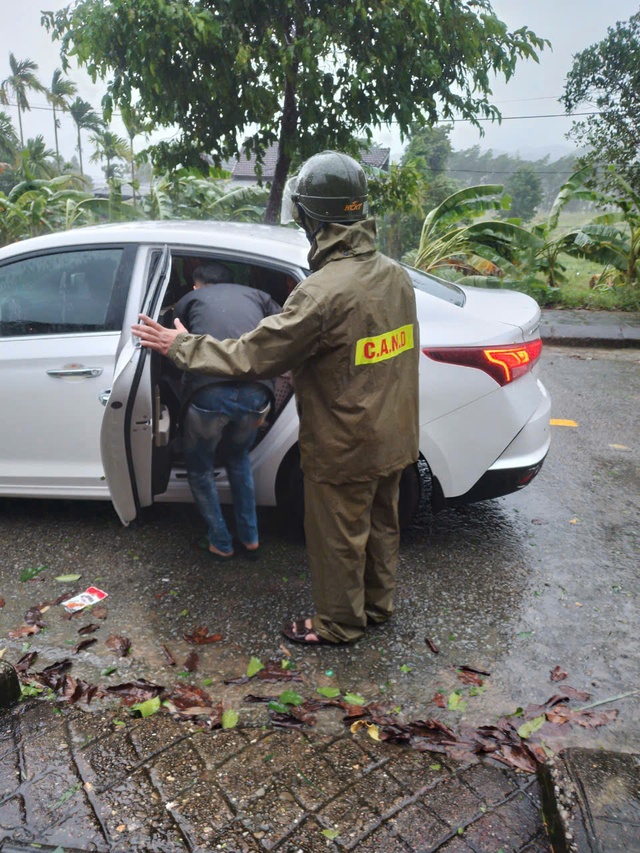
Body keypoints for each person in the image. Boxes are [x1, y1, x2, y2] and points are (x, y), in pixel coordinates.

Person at [132, 151, 420, 644]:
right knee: (380, 526)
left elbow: (251, 356)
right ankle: (375, 606)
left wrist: (177, 344)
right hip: (393, 433)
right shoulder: (394, 276)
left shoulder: (321, 292)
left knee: (338, 537)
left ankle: (337, 624)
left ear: (310, 217)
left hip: (345, 441)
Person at [173, 262, 281, 561]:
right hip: (257, 393)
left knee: (200, 469)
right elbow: (283, 331)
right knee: (238, 457)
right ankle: (250, 537)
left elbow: (177, 345)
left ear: (198, 284)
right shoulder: (259, 296)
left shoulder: (189, 300)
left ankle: (220, 540)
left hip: (208, 393)